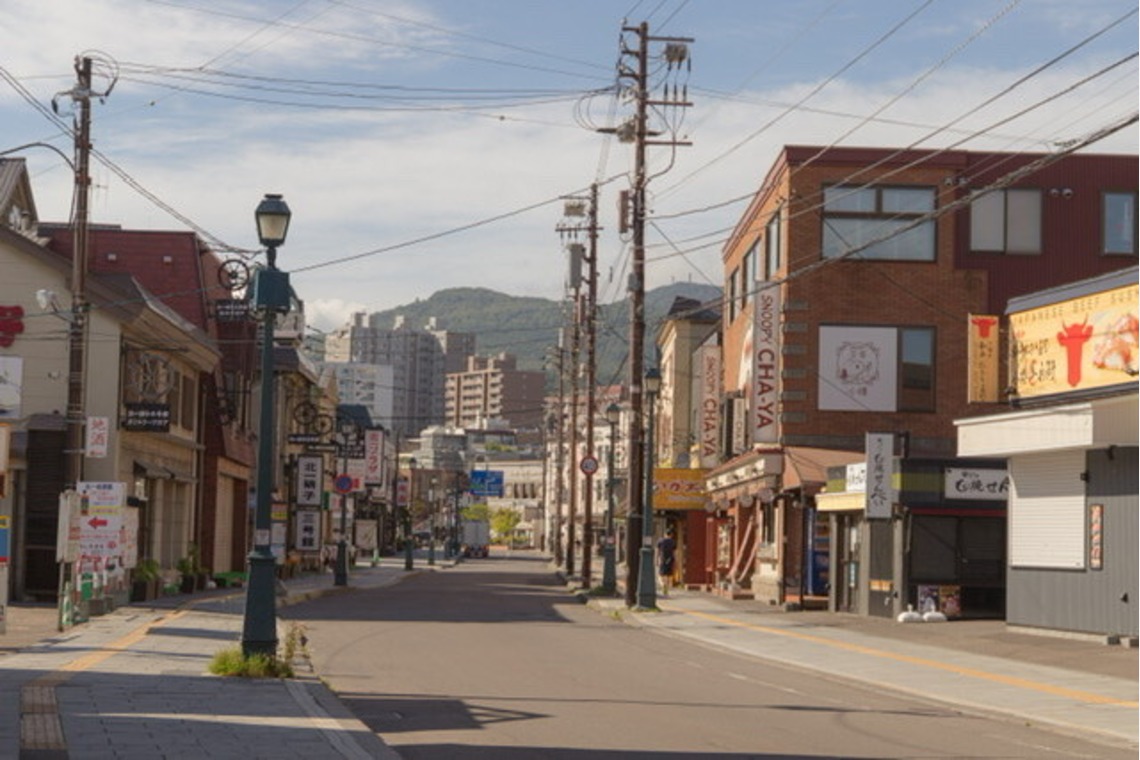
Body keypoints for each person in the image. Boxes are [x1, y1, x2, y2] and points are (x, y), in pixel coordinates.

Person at [657, 531, 677, 595]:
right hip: (670, 559)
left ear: (665, 534)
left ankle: (663, 585)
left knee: (660, 575)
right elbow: (674, 552)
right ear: (671, 535)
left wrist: (657, 559)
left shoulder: (660, 541)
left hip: (662, 559)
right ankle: (667, 588)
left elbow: (658, 551)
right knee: (668, 575)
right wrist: (675, 561)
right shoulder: (673, 542)